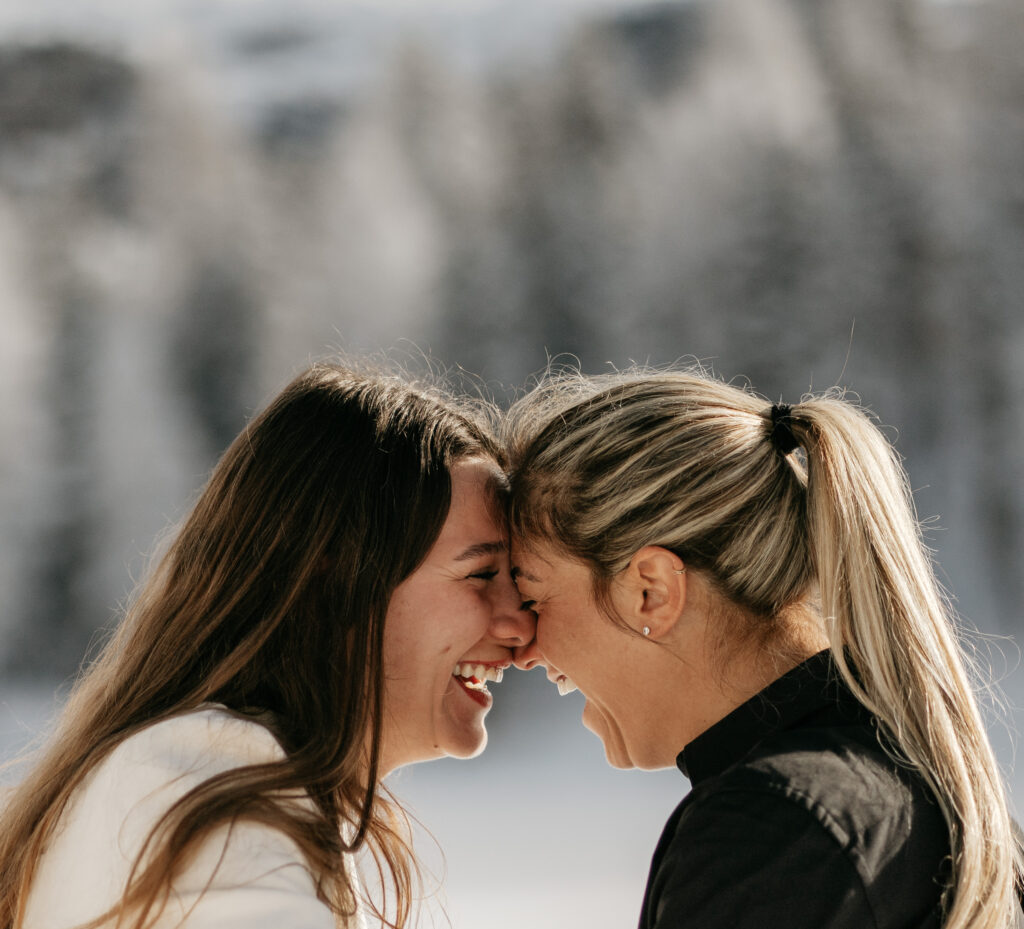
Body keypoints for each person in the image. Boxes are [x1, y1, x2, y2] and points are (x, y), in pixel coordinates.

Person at [0, 362, 534, 929]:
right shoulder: (205, 780)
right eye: (481, 574)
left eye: (521, 583)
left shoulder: (218, 779)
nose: (520, 628)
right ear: (329, 576)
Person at [504, 367, 1022, 929]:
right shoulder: (910, 787)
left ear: (651, 591)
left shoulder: (772, 832)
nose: (522, 649)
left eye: (532, 598)